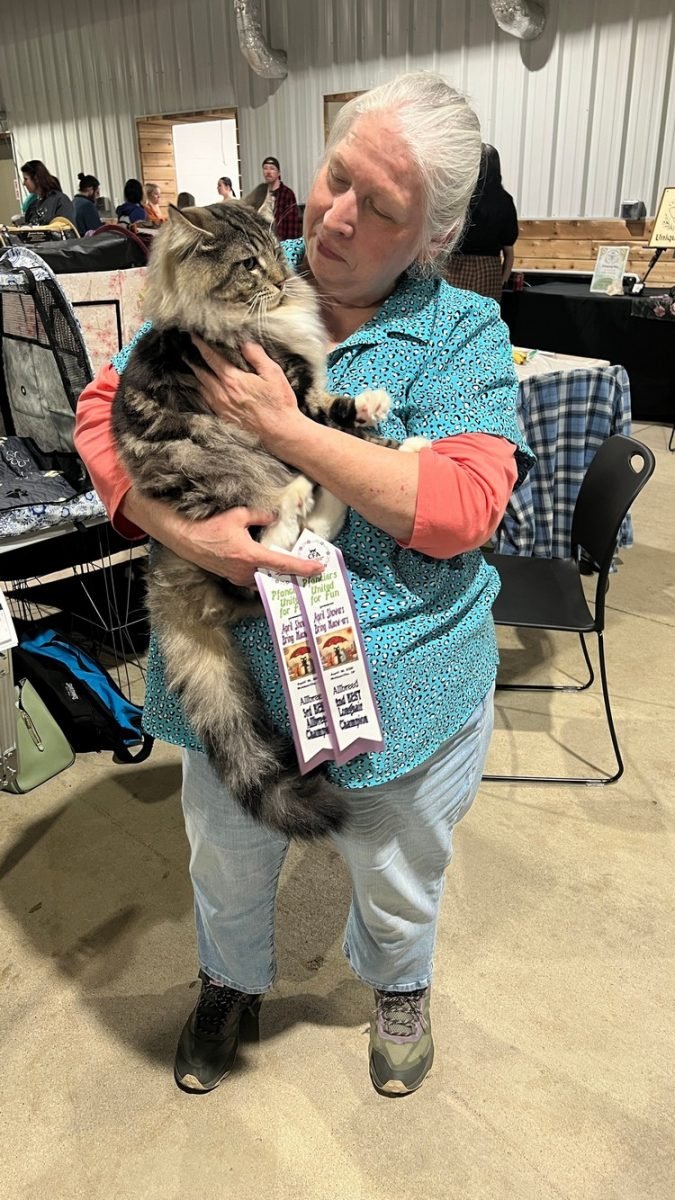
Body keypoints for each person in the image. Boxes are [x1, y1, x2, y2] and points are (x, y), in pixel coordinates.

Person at [75, 72, 533, 1099]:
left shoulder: (462, 331)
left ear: (432, 237)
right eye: (336, 177)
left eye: (382, 208)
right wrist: (174, 526)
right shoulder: (234, 270)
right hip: (229, 660)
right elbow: (103, 407)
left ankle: (399, 983)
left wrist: (285, 429)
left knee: (397, 870)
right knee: (225, 855)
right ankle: (229, 980)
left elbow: (464, 504)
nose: (335, 216)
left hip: (400, 687)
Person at [444, 144, 519, 300]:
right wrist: (503, 279)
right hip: (489, 268)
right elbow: (509, 249)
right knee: (486, 314)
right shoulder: (505, 201)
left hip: (455, 266)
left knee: (452, 312)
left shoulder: (461, 197)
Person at [244, 155, 302, 239]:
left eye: (272, 168)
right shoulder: (259, 193)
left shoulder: (287, 194)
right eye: (265, 168)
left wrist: (287, 244)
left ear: (279, 173)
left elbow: (292, 225)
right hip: (263, 240)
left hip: (281, 240)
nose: (268, 172)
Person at [21, 160, 75, 227]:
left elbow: (66, 228)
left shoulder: (60, 200)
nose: (23, 183)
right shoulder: (32, 206)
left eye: (26, 179)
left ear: (36, 178)